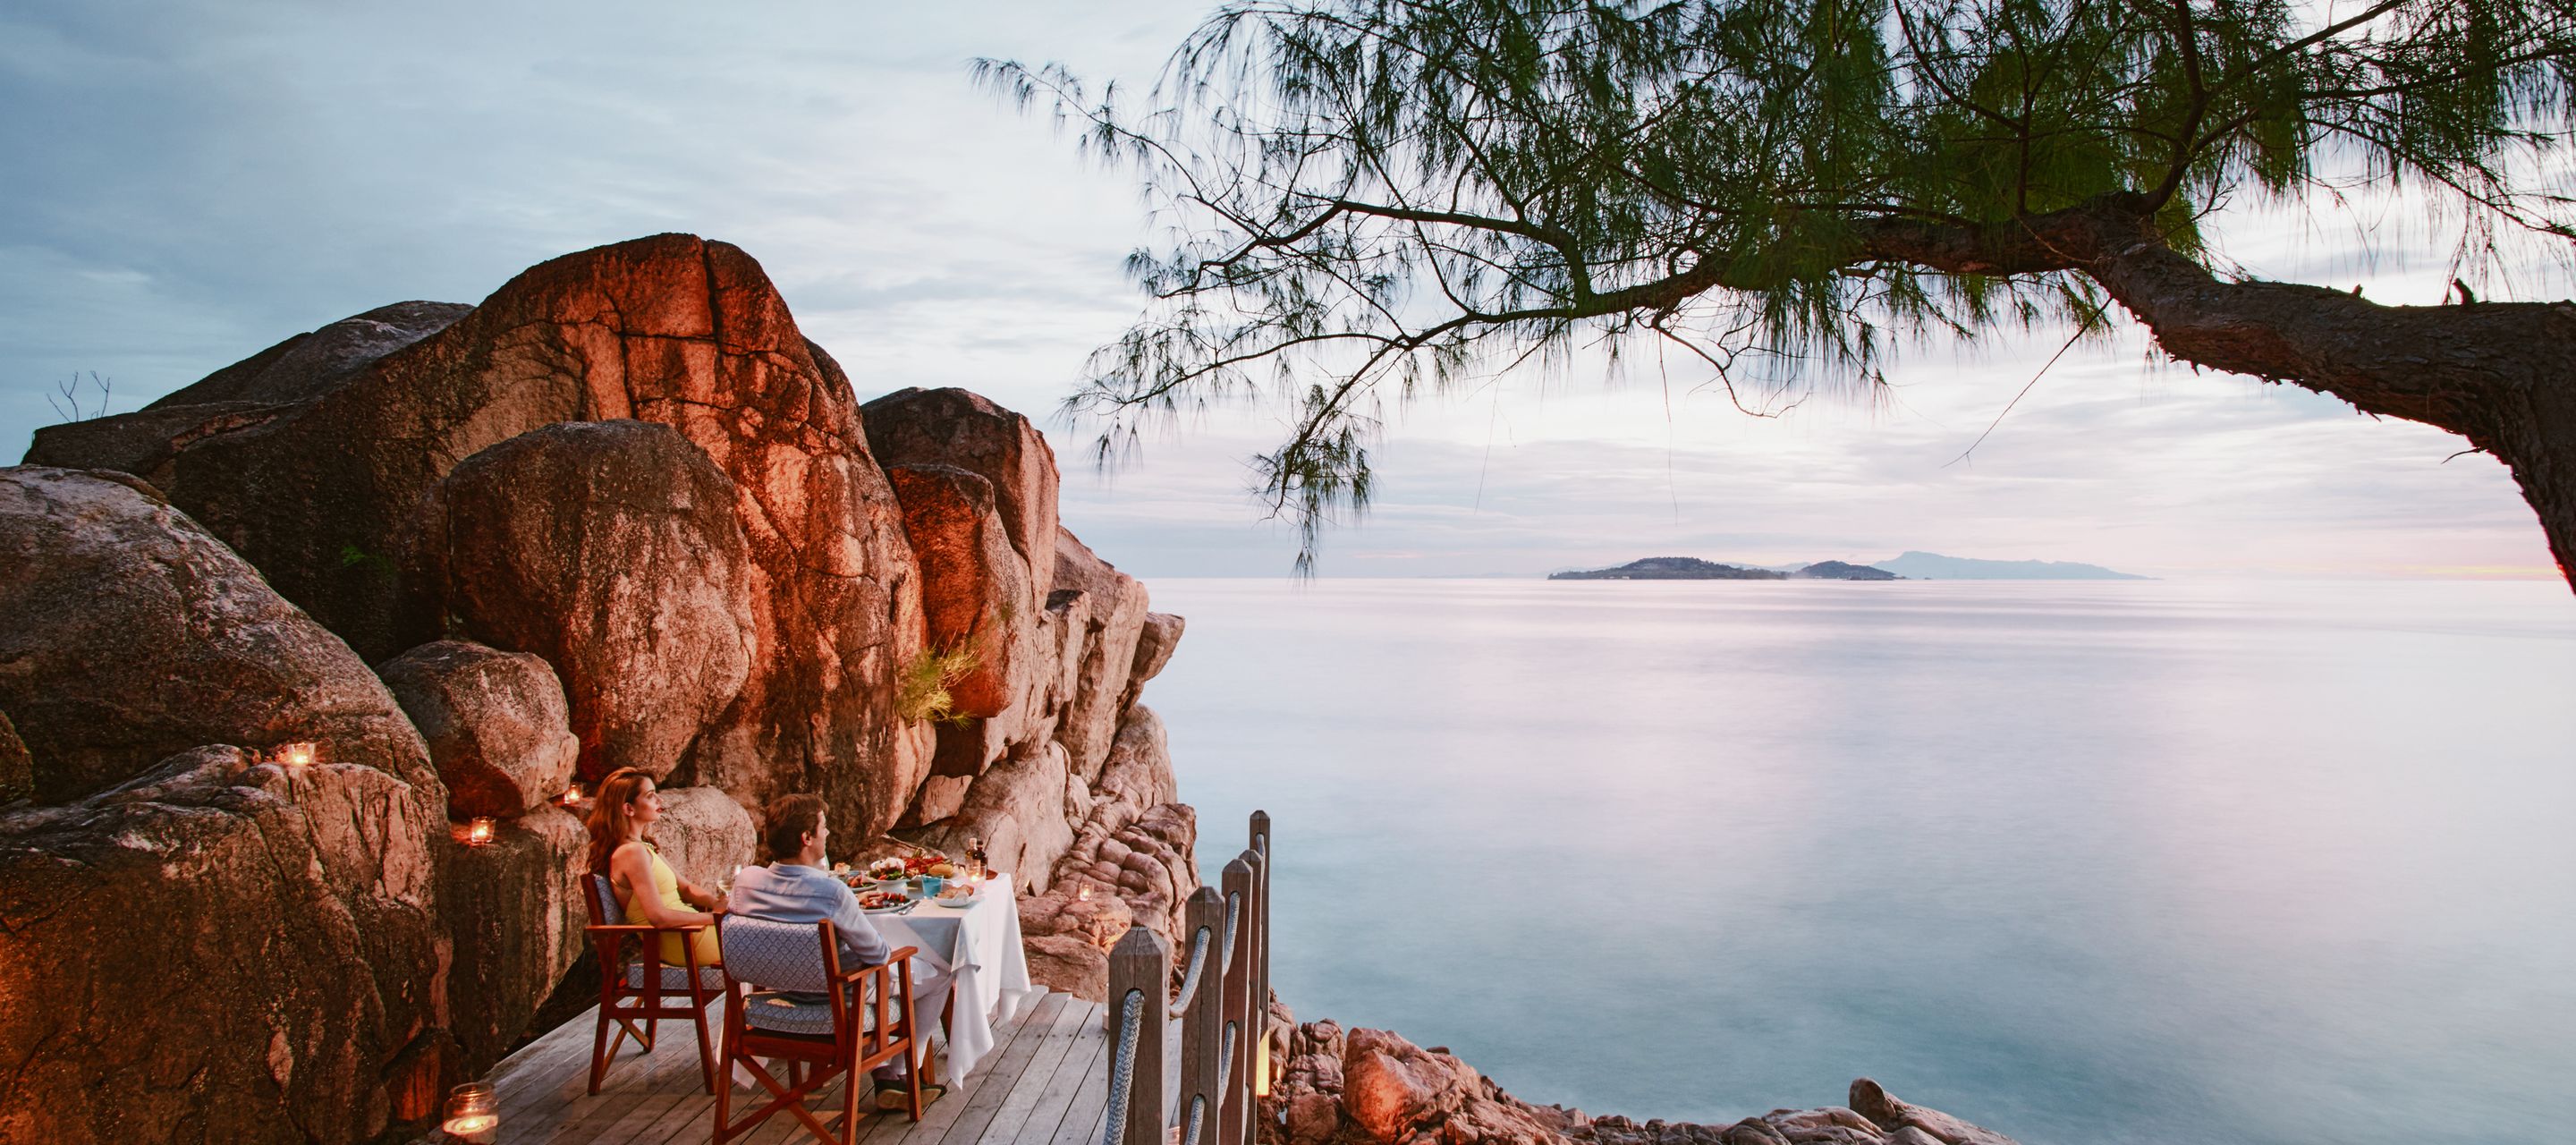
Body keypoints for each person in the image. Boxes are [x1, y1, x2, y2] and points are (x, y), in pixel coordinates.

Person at [729, 793, 952, 1107]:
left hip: (775, 997)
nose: (828, 833)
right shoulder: (832, 892)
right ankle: (899, 1074)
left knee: (884, 976)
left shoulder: (746, 882)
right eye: (824, 827)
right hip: (839, 1002)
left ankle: (884, 1072)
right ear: (807, 838)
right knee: (941, 973)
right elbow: (877, 955)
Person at [586, 767, 726, 971]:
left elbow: (686, 888)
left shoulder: (643, 846)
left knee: (761, 933)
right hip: (685, 941)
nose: (660, 801)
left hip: (691, 933)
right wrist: (714, 918)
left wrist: (717, 904)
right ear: (629, 808)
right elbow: (658, 917)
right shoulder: (631, 853)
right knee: (764, 939)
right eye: (650, 796)